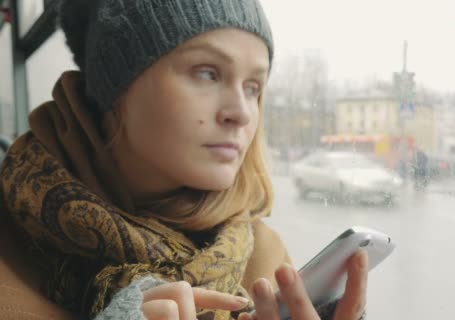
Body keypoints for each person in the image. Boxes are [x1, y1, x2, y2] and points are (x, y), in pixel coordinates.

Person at [0, 0, 368, 319]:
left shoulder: (266, 257)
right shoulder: (10, 249)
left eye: (253, 87)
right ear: (116, 88)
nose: (241, 113)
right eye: (207, 73)